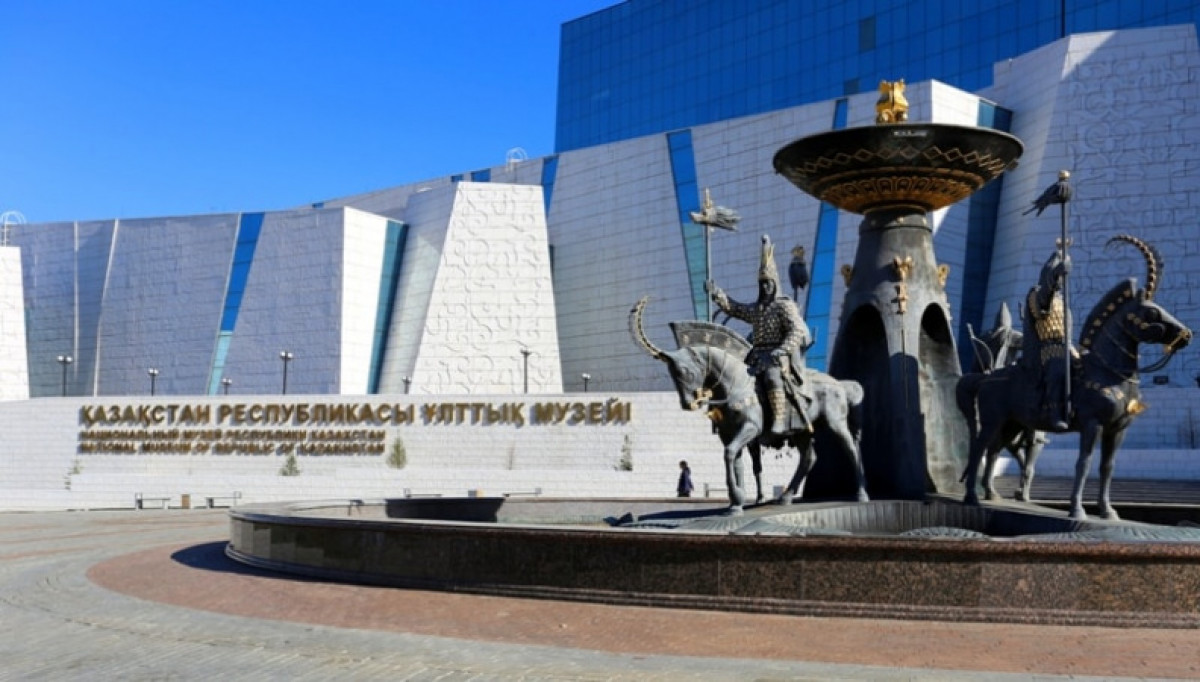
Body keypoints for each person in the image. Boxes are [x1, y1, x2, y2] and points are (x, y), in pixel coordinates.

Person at [707, 235, 811, 436]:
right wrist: (717, 294)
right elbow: (735, 309)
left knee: (772, 377)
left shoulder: (784, 305)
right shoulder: (757, 308)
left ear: (774, 283)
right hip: (755, 356)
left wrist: (782, 349)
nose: (764, 287)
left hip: (777, 356)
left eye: (768, 283)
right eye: (762, 284)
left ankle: (779, 420)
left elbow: (796, 330)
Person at [1022, 245, 1072, 430]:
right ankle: (1054, 413)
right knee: (1057, 371)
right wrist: (1054, 275)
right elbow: (1043, 306)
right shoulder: (1036, 294)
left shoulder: (1062, 300)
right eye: (1056, 276)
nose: (1060, 281)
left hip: (1065, 346)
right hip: (1046, 349)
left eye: (1061, 278)